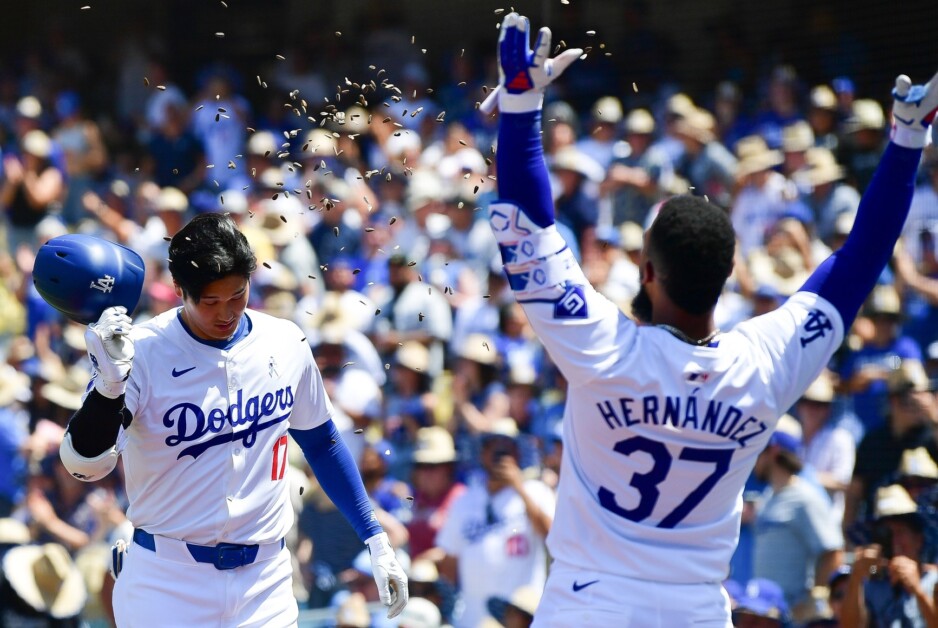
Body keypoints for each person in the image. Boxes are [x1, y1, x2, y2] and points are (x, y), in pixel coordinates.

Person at [481, 11, 938, 626]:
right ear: (727, 278)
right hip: (695, 611)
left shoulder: (601, 348)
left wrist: (520, 107)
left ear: (646, 272)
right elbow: (862, 258)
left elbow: (529, 225)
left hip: (587, 606)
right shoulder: (764, 364)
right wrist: (907, 145)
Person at [58, 213, 408, 625]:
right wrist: (108, 389)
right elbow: (83, 465)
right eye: (210, 301)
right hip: (167, 580)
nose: (226, 312)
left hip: (266, 579)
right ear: (179, 290)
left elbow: (322, 441)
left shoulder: (284, 340)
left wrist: (374, 535)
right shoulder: (140, 352)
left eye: (237, 295)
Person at [434, 418, 555, 628]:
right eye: (493, 448)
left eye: (507, 449)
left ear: (518, 454)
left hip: (521, 619)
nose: (500, 456)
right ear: (482, 453)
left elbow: (554, 539)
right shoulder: (464, 500)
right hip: (471, 620)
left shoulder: (536, 491)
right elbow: (449, 565)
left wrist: (519, 487)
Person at [841, 484, 938, 627]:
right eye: (886, 533)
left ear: (919, 540)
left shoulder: (933, 580)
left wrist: (918, 590)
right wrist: (856, 577)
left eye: (900, 531)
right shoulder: (873, 580)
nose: (894, 541)